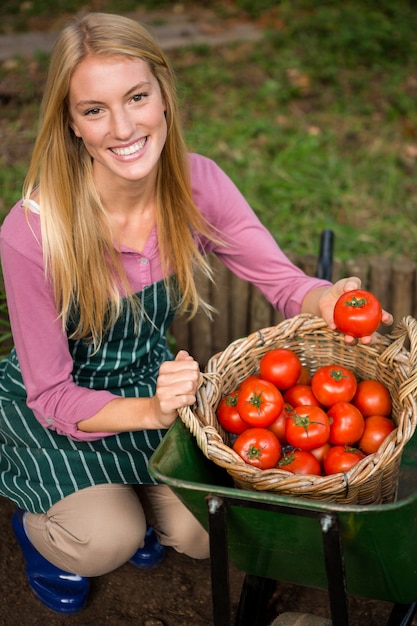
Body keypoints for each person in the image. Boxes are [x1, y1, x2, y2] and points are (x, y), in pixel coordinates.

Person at [0, 11, 392, 616]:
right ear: (71, 123)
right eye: (94, 109)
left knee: (198, 534)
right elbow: (51, 394)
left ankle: (132, 507)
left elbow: (283, 281)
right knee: (106, 539)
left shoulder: (196, 183)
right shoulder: (32, 231)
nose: (124, 127)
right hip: (62, 405)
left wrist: (330, 301)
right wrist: (154, 411)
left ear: (163, 96)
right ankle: (44, 536)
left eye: (136, 97)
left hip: (151, 380)